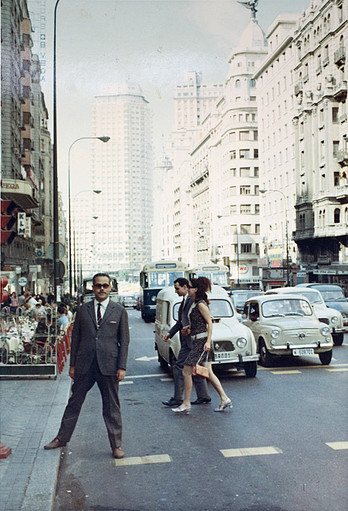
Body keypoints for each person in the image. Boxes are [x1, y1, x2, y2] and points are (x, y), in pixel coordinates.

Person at [44, 273, 130, 459]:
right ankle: (61, 438)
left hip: (108, 366)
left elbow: (124, 341)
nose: (101, 289)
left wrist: (121, 367)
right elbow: (75, 339)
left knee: (111, 407)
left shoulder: (119, 311)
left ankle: (116, 445)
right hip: (85, 365)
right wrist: (72, 365)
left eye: (105, 286)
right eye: (98, 285)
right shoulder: (83, 310)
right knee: (74, 403)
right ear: (92, 287)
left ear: (110, 288)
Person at [172, 277, 231, 415]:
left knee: (186, 371)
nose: (188, 289)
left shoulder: (200, 304)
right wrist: (188, 329)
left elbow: (209, 323)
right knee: (208, 372)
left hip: (201, 342)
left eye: (190, 287)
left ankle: (186, 403)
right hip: (199, 340)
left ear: (196, 289)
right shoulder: (194, 303)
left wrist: (208, 341)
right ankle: (224, 398)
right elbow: (198, 324)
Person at [162, 278, 211, 407]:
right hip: (190, 340)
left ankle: (178, 398)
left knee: (180, 367)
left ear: (185, 287)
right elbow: (180, 322)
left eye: (177, 288)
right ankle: (203, 395)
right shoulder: (184, 301)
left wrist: (189, 329)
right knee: (196, 368)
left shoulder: (192, 300)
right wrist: (170, 333)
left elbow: (199, 321)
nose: (176, 291)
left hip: (192, 341)